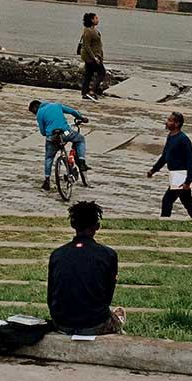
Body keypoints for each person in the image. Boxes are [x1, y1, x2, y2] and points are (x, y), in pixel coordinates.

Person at [47, 200, 125, 337]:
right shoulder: (108, 255)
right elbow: (107, 296)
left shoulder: (57, 254)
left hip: (61, 322)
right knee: (114, 318)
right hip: (94, 323)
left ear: (72, 225)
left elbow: (51, 294)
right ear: (97, 226)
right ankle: (117, 322)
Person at [146, 111, 192, 218]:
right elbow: (165, 156)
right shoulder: (170, 136)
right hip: (175, 174)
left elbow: (191, 161)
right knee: (187, 201)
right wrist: (153, 170)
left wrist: (188, 180)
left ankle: (164, 222)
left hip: (181, 175)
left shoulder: (183, 139)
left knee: (167, 200)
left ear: (177, 124)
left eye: (170, 121)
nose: (167, 122)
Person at [29, 98, 89, 190]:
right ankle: (81, 161)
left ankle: (47, 180)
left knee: (49, 157)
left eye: (33, 112)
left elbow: (42, 132)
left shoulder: (39, 114)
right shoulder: (57, 105)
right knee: (80, 139)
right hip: (65, 132)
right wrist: (81, 118)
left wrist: (48, 132)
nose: (35, 114)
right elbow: (72, 111)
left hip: (52, 137)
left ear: (35, 107)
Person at [77, 12, 106, 100]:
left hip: (95, 56)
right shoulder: (88, 31)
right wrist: (94, 57)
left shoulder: (94, 30)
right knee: (102, 73)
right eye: (96, 18)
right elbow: (86, 45)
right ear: (92, 20)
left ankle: (85, 93)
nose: (98, 19)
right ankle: (92, 91)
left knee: (88, 74)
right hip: (92, 57)